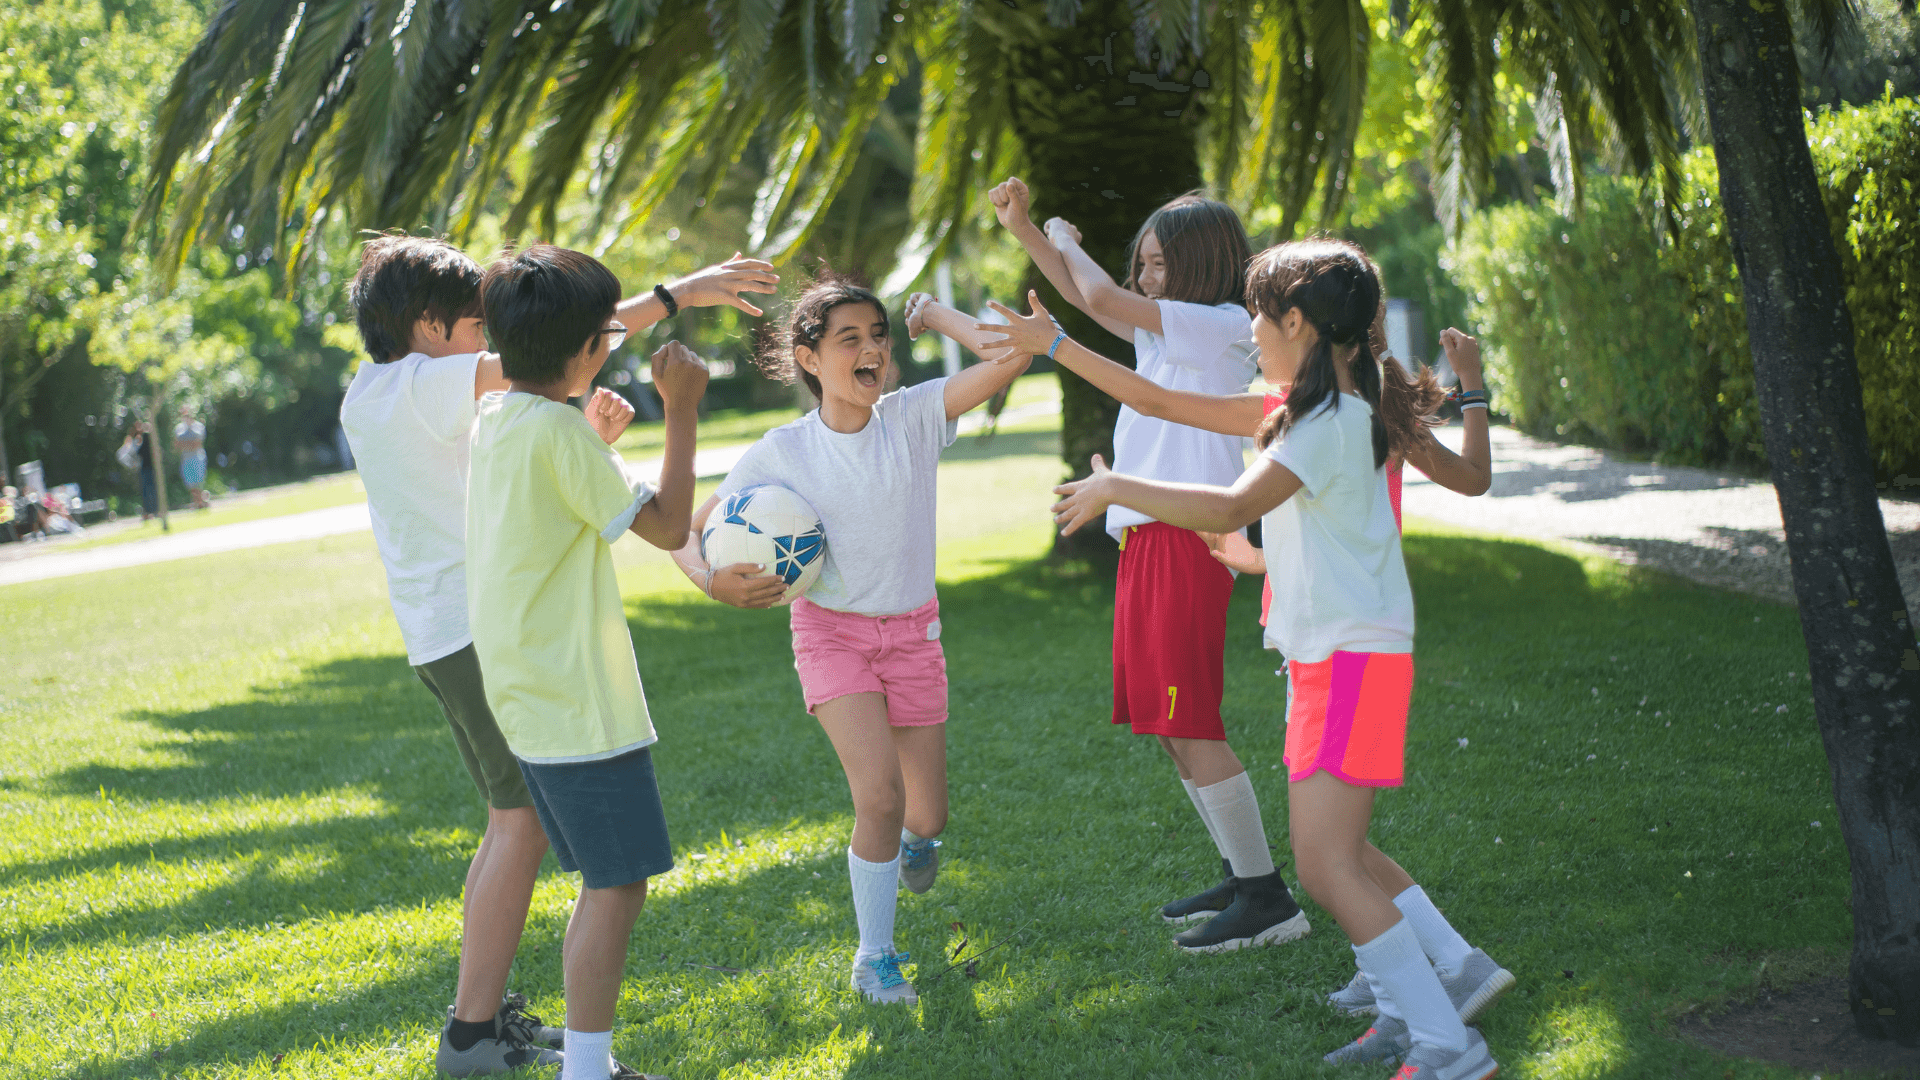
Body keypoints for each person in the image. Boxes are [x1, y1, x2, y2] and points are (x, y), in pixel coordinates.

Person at [1040, 239, 1503, 1080]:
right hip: (1334, 658)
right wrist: (1058, 349)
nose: (1250, 331)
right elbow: (1172, 412)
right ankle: (1412, 1014)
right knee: (1343, 858)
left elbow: (1233, 500)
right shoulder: (1315, 409)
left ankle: (1448, 1046)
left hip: (1351, 663)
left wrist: (1118, 488)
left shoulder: (1326, 420)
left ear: (1296, 321)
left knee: (1327, 867)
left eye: (1259, 314)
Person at [340, 232, 776, 1077]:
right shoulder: (432, 384)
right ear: (430, 327)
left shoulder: (381, 392)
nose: (491, 343)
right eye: (476, 325)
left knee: (518, 823)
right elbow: (558, 341)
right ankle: (474, 1036)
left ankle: (481, 1020)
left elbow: (555, 354)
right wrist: (680, 299)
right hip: (490, 635)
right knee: (527, 826)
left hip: (455, 631)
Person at [668, 277, 1029, 1005]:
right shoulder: (782, 451)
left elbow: (1011, 357)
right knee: (881, 798)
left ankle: (917, 846)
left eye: (879, 334)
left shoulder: (916, 415)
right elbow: (683, 526)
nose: (871, 349)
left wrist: (936, 316)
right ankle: (875, 958)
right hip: (831, 636)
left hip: (914, 632)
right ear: (808, 357)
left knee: (926, 817)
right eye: (849, 339)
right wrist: (712, 581)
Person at [985, 176, 1305, 954]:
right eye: (1143, 264)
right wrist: (1028, 228)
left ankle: (1266, 898)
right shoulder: (1175, 335)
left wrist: (1065, 238)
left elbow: (1096, 291)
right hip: (1149, 534)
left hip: (1182, 532)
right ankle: (1242, 874)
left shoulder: (1216, 323)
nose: (1145, 278)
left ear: (1199, 262)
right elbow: (1094, 299)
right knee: (1168, 723)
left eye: (1158, 264)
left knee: (1188, 716)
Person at [466, 244, 711, 1080]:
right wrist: (680, 410)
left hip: (528, 694)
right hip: (576, 701)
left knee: (607, 879)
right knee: (617, 884)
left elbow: (552, 501)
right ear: (587, 351)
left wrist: (592, 437)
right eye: (607, 332)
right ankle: (586, 1071)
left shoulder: (500, 417)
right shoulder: (558, 436)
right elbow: (672, 527)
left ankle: (590, 1067)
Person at [175, 408, 209, 509]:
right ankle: (197, 502)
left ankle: (200, 502)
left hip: (197, 457)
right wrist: (189, 444)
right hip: (186, 458)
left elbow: (197, 444)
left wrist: (186, 444)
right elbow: (177, 444)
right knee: (190, 483)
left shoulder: (199, 427)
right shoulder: (179, 428)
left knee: (198, 481)